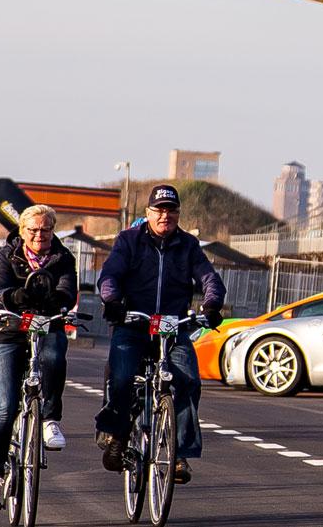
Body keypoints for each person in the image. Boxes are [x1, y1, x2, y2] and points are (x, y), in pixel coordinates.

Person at [93, 184, 225, 484]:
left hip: (173, 327)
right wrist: (112, 301)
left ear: (178, 214)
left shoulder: (189, 245)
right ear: (148, 213)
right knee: (122, 377)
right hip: (133, 323)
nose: (165, 215)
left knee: (188, 380)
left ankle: (179, 454)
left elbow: (209, 279)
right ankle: (117, 433)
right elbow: (110, 274)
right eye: (159, 210)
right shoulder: (129, 241)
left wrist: (212, 303)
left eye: (171, 210)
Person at [0, 206, 76, 509]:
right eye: (33, 230)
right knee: (5, 407)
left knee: (55, 356)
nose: (39, 235)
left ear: (53, 230)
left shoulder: (64, 257)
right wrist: (15, 297)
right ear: (22, 231)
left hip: (47, 325)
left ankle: (49, 419)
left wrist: (54, 299)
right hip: (10, 330)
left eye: (45, 229)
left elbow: (68, 292)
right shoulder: (9, 254)